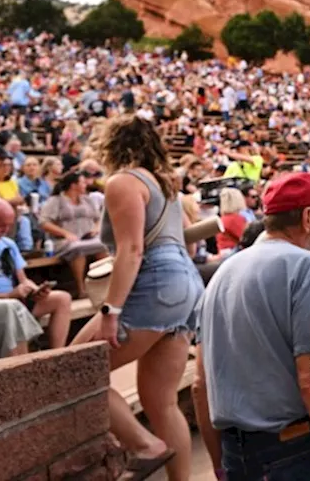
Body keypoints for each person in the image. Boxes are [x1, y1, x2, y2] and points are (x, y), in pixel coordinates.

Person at [192, 171, 310, 480]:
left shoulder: (223, 274)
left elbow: (201, 386)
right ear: (308, 217)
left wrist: (219, 466)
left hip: (236, 453)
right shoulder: (306, 266)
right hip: (296, 452)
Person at [69, 115, 205, 481]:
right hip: (184, 284)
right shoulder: (166, 185)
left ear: (111, 145)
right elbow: (185, 242)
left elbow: (131, 250)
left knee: (75, 370)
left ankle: (145, 444)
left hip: (155, 282)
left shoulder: (123, 182)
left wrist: (111, 310)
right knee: (160, 401)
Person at [0, 198, 71, 349]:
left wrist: (34, 290)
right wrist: (7, 297)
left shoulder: (8, 244)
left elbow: (23, 279)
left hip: (15, 299)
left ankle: (58, 353)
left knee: (62, 298)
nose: (5, 231)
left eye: (8, 226)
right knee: (12, 309)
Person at [39, 171, 109, 300]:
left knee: (103, 245)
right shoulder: (56, 200)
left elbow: (99, 218)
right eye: (82, 182)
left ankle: (104, 286)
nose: (85, 184)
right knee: (77, 249)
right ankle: (81, 289)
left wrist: (96, 229)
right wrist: (65, 233)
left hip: (88, 237)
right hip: (63, 241)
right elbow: (44, 223)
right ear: (73, 185)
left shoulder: (87, 199)